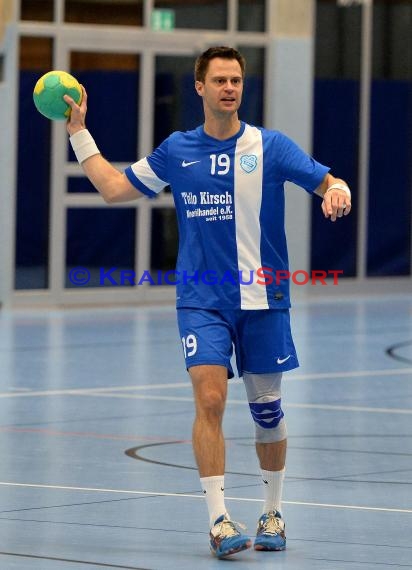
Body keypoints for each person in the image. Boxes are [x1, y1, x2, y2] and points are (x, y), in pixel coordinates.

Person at [64, 46, 351, 559]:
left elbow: (325, 179)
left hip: (265, 297)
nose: (229, 88)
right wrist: (77, 132)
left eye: (236, 80)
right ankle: (219, 519)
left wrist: (337, 188)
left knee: (267, 410)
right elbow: (111, 188)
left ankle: (273, 512)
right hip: (202, 300)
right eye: (219, 80)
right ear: (199, 87)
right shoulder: (178, 150)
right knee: (211, 400)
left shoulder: (271, 146)